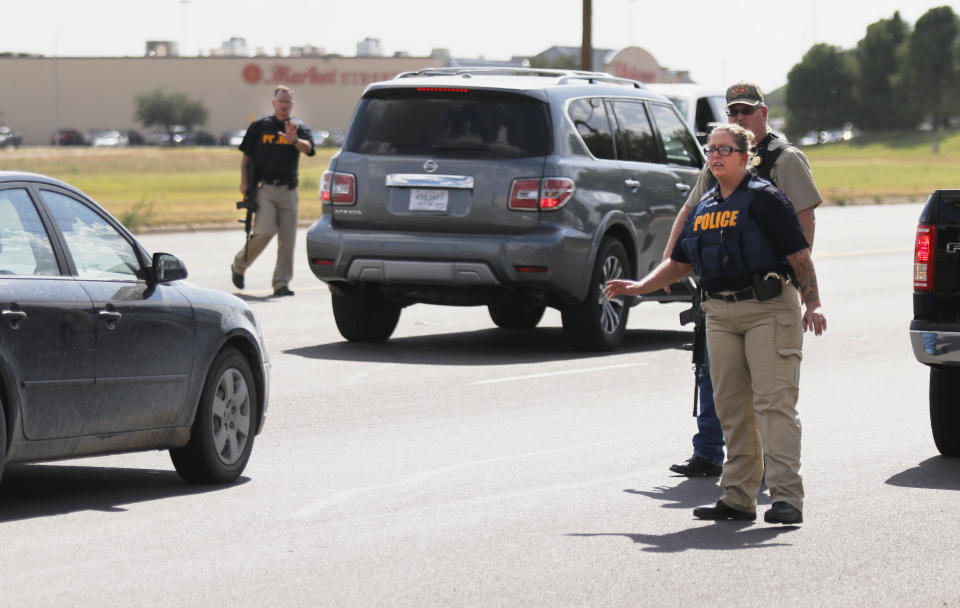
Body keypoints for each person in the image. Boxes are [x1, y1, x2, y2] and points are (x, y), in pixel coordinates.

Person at [604, 124, 826, 524]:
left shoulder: (766, 200)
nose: (716, 156)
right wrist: (640, 286)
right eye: (711, 150)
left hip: (768, 309)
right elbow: (681, 261)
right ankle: (738, 498)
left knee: (773, 405)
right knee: (731, 407)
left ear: (746, 157)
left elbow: (799, 255)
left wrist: (813, 303)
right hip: (719, 314)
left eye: (725, 149)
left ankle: (786, 499)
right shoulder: (705, 205)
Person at [663, 81, 823, 478]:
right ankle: (708, 452)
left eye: (746, 112)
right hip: (718, 283)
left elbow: (803, 220)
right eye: (733, 113)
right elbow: (690, 212)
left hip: (766, 288)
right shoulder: (720, 157)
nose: (738, 118)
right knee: (712, 372)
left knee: (766, 387)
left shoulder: (785, 160)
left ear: (763, 114)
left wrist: (798, 280)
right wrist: (670, 260)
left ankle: (770, 467)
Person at [231, 85, 315, 297]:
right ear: (273, 103)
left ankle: (281, 283)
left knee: (288, 240)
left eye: (288, 102)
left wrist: (294, 140)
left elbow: (310, 149)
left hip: (289, 190)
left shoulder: (297, 127)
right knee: (265, 231)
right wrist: (244, 183)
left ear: (292, 105)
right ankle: (239, 265)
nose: (284, 105)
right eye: (281, 101)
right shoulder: (260, 126)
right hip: (266, 188)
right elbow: (246, 157)